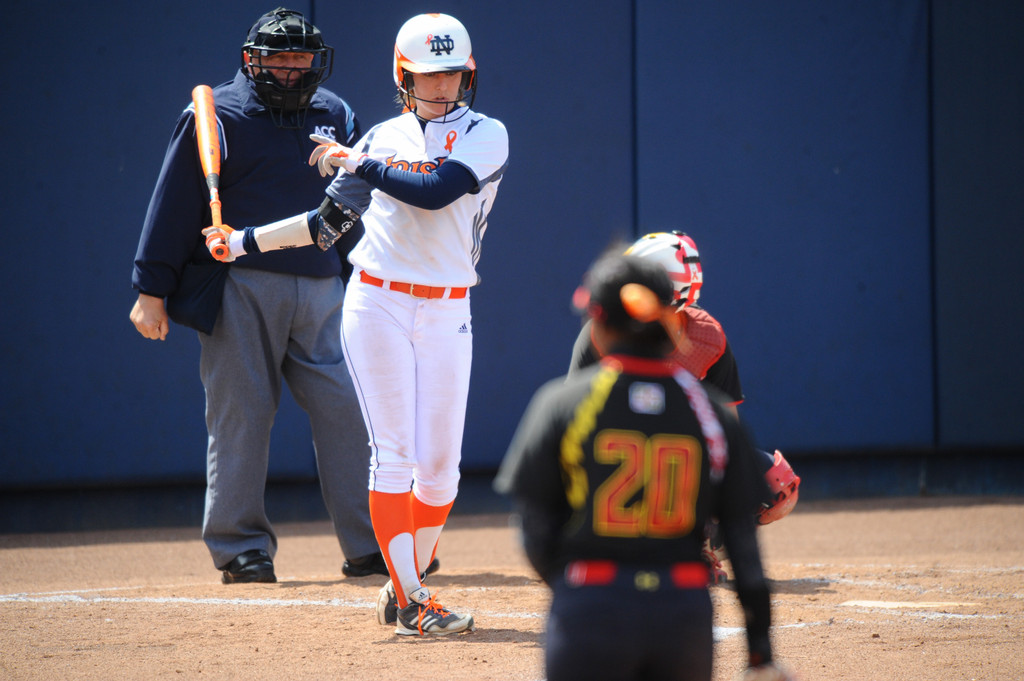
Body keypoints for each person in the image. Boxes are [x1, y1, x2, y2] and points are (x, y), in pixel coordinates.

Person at [202, 13, 508, 635]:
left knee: (442, 469)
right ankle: (415, 599)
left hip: (449, 304)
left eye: (451, 74)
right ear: (403, 76)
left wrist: (357, 160)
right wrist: (240, 243)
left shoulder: (488, 134)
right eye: (427, 76)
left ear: (468, 74)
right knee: (393, 457)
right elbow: (324, 227)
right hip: (379, 303)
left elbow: (437, 190)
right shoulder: (379, 139)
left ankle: (404, 586)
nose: (441, 87)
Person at [129, 7, 386, 584]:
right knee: (242, 415)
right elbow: (173, 205)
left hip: (323, 285)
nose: (291, 69)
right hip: (241, 285)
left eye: (300, 58)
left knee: (349, 410)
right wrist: (152, 288)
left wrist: (364, 275)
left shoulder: (337, 112)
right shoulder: (216, 114)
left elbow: (356, 206)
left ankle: (372, 542)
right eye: (279, 57)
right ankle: (240, 546)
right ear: (253, 59)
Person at [493, 253, 797, 681]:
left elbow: (534, 530)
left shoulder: (560, 403)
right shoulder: (711, 413)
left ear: (596, 320)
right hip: (682, 610)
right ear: (672, 318)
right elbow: (745, 553)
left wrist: (575, 591)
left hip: (591, 607)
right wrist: (761, 656)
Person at [567, 231, 801, 582]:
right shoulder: (601, 332)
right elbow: (574, 421)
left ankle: (691, 545)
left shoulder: (708, 338)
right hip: (616, 455)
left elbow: (728, 437)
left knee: (774, 482)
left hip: (677, 454)